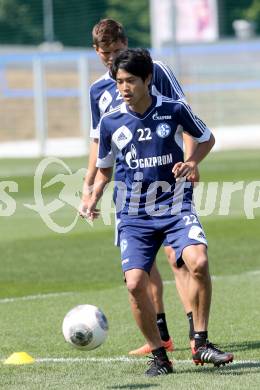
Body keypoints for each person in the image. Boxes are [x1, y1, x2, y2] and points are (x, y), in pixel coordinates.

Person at [84, 48, 234, 376]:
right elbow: (106, 169)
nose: (123, 88)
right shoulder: (111, 121)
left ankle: (201, 341)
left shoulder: (174, 109)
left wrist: (192, 162)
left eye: (130, 81)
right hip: (133, 214)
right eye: (119, 81)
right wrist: (93, 197)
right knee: (136, 283)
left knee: (199, 261)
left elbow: (206, 138)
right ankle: (159, 355)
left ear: (148, 79)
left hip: (174, 205)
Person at [80, 18, 198, 355]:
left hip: (168, 177)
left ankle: (195, 333)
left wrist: (191, 161)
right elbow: (97, 141)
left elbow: (183, 114)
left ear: (125, 43)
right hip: (130, 189)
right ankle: (161, 337)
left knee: (179, 256)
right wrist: (89, 186)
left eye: (117, 51)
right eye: (106, 54)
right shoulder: (98, 91)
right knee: (143, 267)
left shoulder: (153, 70)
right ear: (96, 52)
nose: (112, 57)